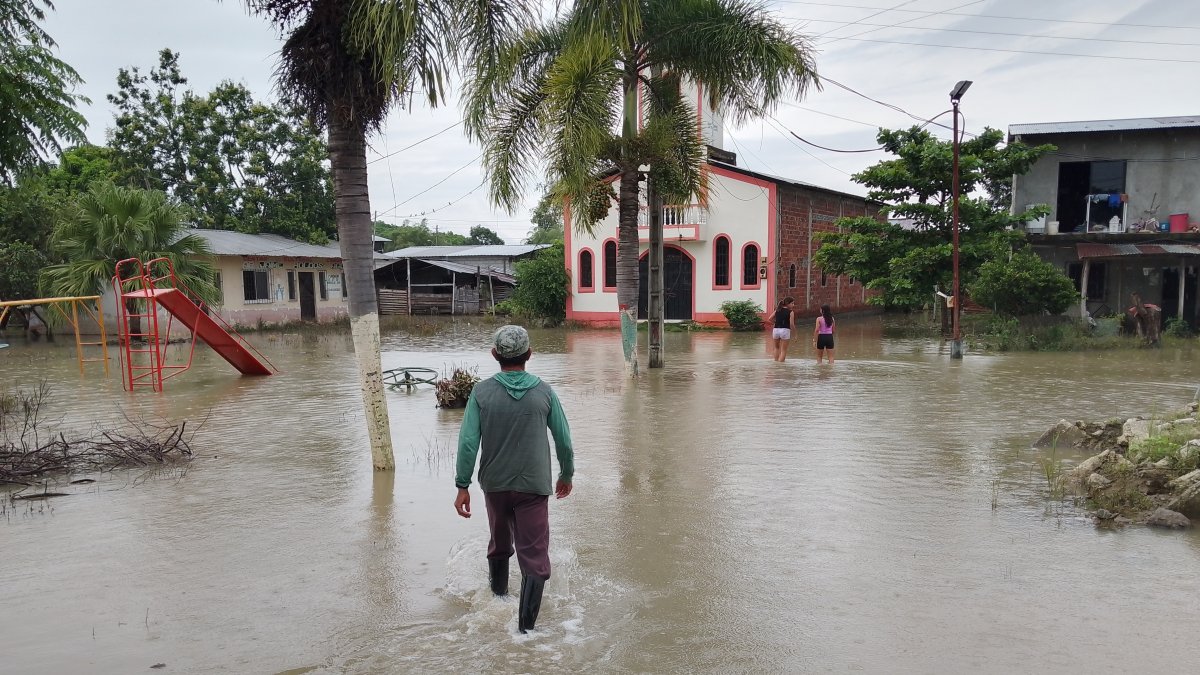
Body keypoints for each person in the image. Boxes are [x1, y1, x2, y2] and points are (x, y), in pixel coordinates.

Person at [454, 325, 574, 633]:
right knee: (534, 557)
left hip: (495, 485)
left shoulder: (481, 393)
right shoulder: (545, 392)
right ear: (529, 355)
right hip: (533, 488)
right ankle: (525, 632)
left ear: (495, 355)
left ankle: (498, 599)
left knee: (499, 542)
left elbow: (468, 442)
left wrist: (462, 485)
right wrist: (566, 474)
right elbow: (563, 439)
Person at [771, 296, 797, 362]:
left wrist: (775, 323)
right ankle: (781, 366)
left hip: (776, 330)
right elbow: (791, 324)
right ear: (787, 303)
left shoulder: (777, 310)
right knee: (783, 350)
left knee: (776, 348)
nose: (793, 305)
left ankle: (776, 364)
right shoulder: (791, 312)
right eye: (792, 303)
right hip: (785, 330)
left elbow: (769, 318)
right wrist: (795, 334)